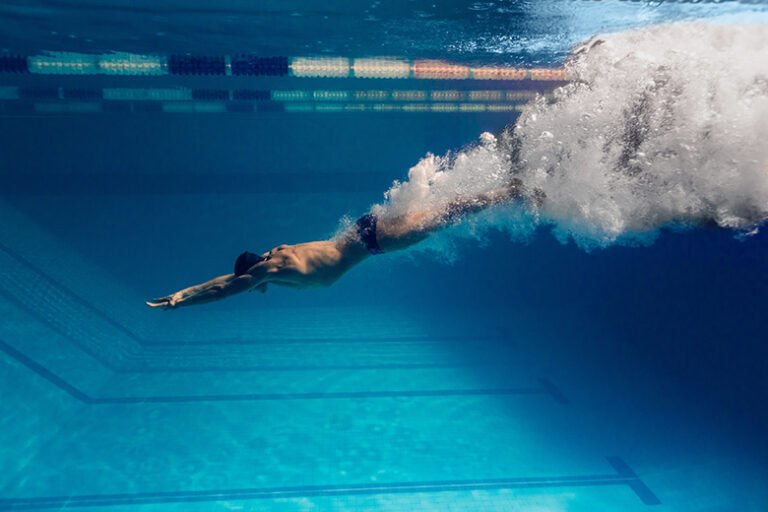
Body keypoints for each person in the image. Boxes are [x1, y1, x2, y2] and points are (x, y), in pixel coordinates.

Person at [145, 179, 524, 309]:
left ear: (255, 272)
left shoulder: (272, 268)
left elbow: (226, 289)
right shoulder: (277, 253)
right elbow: (228, 278)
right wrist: (188, 289)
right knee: (445, 211)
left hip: (373, 241)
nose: (257, 288)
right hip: (365, 230)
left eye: (254, 284)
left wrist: (184, 298)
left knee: (447, 215)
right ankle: (508, 187)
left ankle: (514, 191)